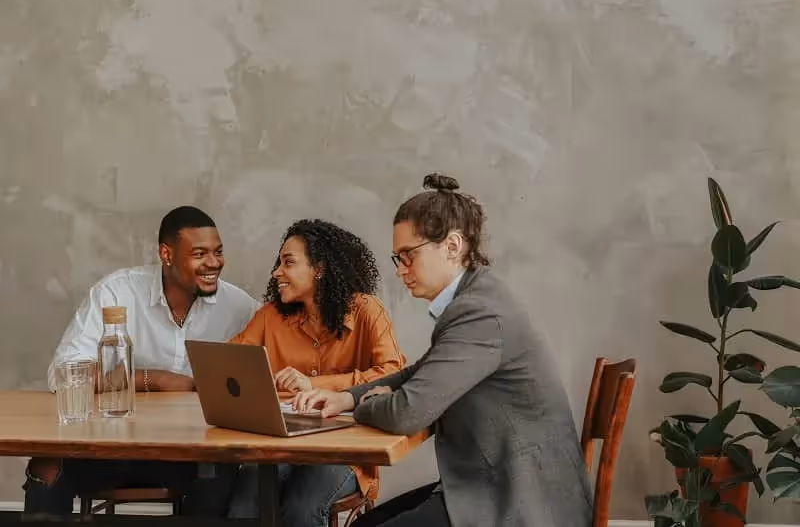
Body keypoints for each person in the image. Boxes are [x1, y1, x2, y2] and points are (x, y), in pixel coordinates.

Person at [293, 174, 593, 527]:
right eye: (397, 259)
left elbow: (407, 413)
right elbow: (419, 372)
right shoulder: (476, 298)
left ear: (452, 246)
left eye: (408, 256)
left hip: (519, 500)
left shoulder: (480, 313)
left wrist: (369, 404)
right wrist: (346, 398)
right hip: (491, 483)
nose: (401, 270)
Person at [24, 206, 260, 518]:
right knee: (46, 466)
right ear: (167, 254)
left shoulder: (239, 307)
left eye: (218, 252)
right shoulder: (117, 292)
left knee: (219, 475)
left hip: (191, 455)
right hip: (110, 448)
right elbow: (65, 374)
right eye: (200, 253)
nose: (213, 263)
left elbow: (272, 361)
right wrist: (157, 380)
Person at [223, 219, 406, 527]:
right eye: (278, 263)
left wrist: (316, 385)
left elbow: (392, 373)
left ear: (319, 269)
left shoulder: (366, 311)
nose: (276, 273)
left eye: (288, 263)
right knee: (246, 500)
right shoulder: (270, 317)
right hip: (280, 446)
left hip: (346, 452)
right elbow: (228, 365)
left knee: (301, 506)